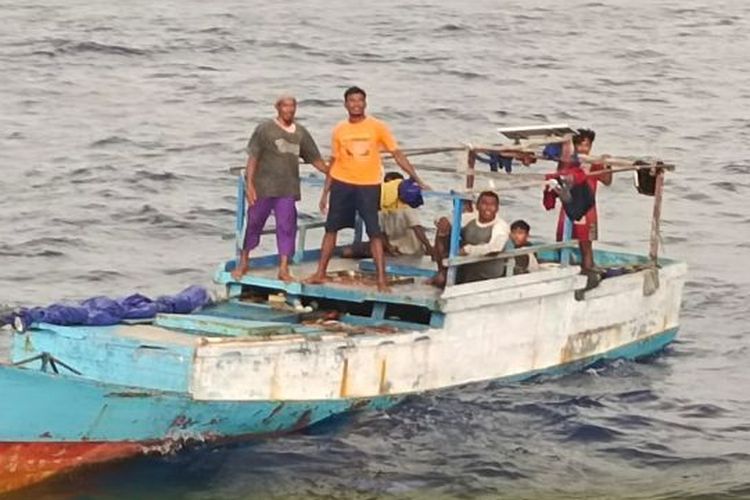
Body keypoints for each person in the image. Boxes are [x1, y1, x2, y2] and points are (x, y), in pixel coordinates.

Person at [305, 86, 429, 292]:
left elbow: (396, 153)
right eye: (352, 101)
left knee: (374, 232)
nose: (356, 104)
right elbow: (334, 161)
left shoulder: (377, 127)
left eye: (359, 100)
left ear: (365, 103)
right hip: (342, 184)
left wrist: (416, 178)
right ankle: (320, 273)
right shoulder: (339, 129)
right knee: (331, 229)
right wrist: (325, 192)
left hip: (368, 185)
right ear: (345, 104)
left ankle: (382, 280)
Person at [232, 94, 329, 282]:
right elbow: (253, 158)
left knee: (287, 227)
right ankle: (244, 261)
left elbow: (314, 158)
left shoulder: (300, 132)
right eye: (285, 106)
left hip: (287, 189)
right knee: (254, 223)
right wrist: (250, 184)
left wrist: (330, 171)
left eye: (292, 106)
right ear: (278, 108)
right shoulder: (265, 129)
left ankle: (284, 268)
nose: (289, 110)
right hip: (264, 187)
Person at [551, 129, 612, 273]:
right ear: (574, 145)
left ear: (591, 146)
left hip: (587, 208)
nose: (583, 149)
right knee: (561, 240)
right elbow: (558, 175)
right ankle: (563, 271)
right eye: (580, 145)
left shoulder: (594, 163)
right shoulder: (568, 161)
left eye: (587, 145)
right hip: (568, 206)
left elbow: (607, 180)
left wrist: (607, 165)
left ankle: (588, 271)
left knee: (586, 245)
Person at [341, 172, 433, 259]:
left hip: (405, 249)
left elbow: (417, 228)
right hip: (396, 247)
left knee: (351, 251)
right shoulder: (387, 207)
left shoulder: (403, 207)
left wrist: (428, 248)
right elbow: (382, 232)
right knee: (350, 251)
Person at [431, 191, 510, 287]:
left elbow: (495, 247)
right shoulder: (471, 218)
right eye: (484, 204)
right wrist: (442, 221)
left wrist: (469, 250)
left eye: (492, 205)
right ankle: (441, 270)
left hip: (488, 276)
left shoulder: (500, 226)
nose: (488, 208)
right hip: (467, 270)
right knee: (443, 230)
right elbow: (448, 219)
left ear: (497, 208)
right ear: (477, 206)